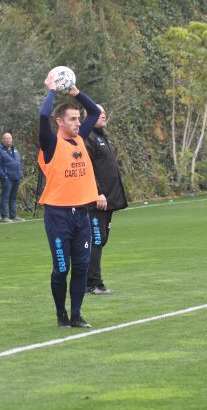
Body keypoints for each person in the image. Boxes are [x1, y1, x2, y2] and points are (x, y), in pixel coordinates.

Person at [38, 71, 101, 328]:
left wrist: (76, 93)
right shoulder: (51, 144)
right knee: (61, 269)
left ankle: (76, 315)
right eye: (73, 119)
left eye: (78, 119)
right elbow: (42, 115)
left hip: (81, 215)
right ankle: (60, 313)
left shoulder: (80, 139)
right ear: (59, 122)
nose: (78, 123)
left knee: (81, 267)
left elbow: (94, 113)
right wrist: (52, 90)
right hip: (58, 215)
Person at [83, 105, 128, 295]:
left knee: (100, 240)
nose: (103, 114)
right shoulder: (88, 137)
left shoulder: (100, 135)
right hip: (97, 201)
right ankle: (95, 284)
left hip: (108, 200)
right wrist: (98, 193)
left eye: (104, 112)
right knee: (96, 240)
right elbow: (87, 170)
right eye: (98, 112)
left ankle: (86, 283)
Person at [0, 132, 24, 223]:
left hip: (16, 177)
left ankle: (13, 216)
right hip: (7, 178)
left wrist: (20, 173)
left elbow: (19, 163)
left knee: (13, 198)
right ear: (3, 140)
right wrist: (4, 176)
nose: (8, 140)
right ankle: (4, 217)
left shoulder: (15, 150)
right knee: (5, 197)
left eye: (10, 138)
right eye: (6, 138)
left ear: (12, 139)